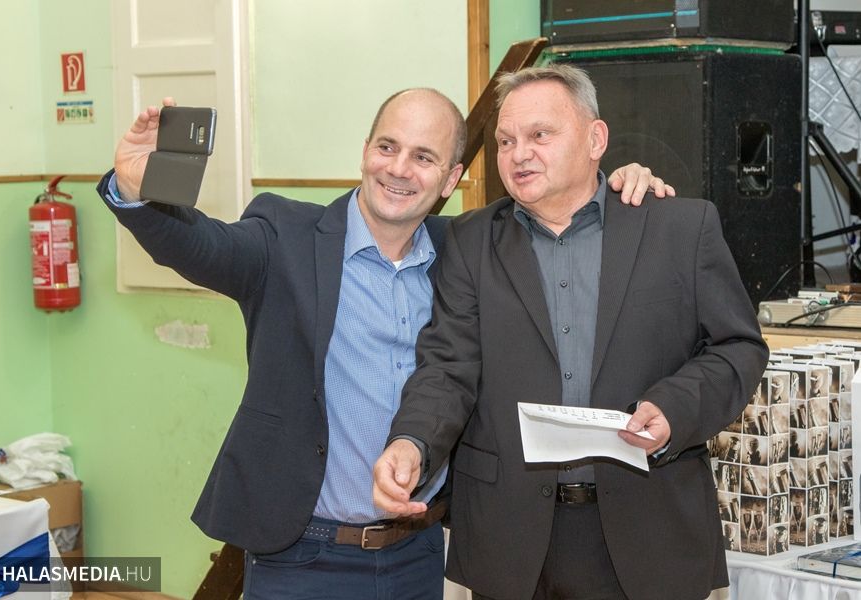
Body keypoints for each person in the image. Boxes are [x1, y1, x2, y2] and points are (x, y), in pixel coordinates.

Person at [97, 87, 670, 600]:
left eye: (423, 157)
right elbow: (201, 247)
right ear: (365, 151)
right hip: (299, 554)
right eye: (387, 147)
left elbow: (560, 210)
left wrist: (620, 183)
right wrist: (136, 190)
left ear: (450, 179)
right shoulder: (285, 237)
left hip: (418, 553)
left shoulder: (467, 253)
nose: (398, 169)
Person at [373, 65, 768, 600]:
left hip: (651, 531)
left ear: (595, 139)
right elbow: (447, 368)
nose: (519, 154)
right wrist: (412, 441)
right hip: (509, 541)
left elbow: (738, 347)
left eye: (540, 135)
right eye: (506, 141)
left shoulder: (679, 227)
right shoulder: (470, 241)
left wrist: (675, 407)